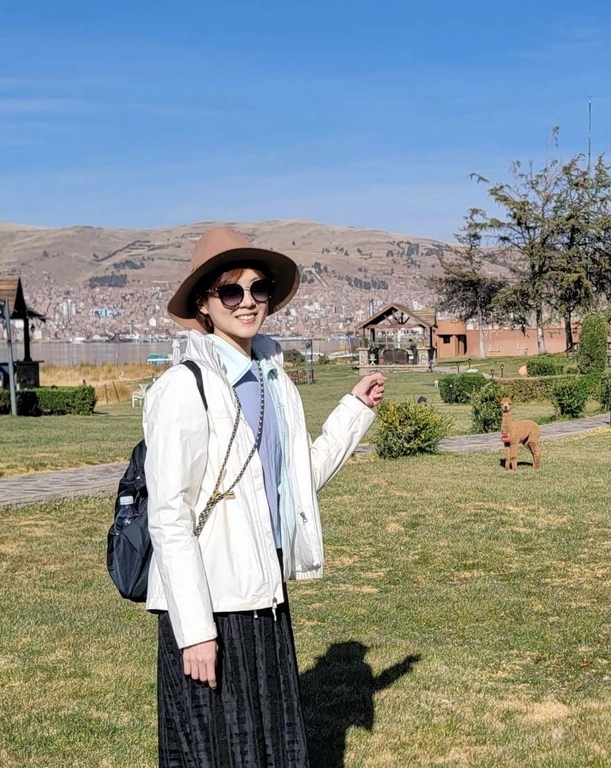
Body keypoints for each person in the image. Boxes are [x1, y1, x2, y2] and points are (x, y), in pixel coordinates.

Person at [143, 226, 386, 766]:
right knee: (214, 749)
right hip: (212, 599)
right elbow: (168, 518)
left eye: (258, 288)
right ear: (205, 304)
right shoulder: (184, 387)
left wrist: (354, 411)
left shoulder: (274, 380)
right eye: (231, 291)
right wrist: (196, 631)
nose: (248, 301)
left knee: (270, 745)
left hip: (265, 591)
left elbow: (296, 480)